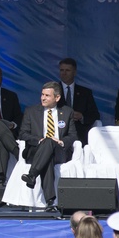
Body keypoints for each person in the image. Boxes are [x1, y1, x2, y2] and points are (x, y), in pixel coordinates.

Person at [19, 81, 77, 212]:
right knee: (47, 149)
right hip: (36, 151)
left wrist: (61, 141)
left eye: (47, 95)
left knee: (50, 143)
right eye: (42, 94)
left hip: (59, 151)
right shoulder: (31, 111)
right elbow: (22, 134)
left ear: (57, 98)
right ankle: (50, 201)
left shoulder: (67, 112)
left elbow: (73, 135)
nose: (43, 98)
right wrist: (39, 140)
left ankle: (32, 175)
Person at [58, 57, 100, 145]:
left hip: (79, 134)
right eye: (62, 70)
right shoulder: (52, 90)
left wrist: (81, 117)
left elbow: (95, 115)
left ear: (75, 72)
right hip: (57, 132)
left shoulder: (85, 93)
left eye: (67, 70)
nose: (64, 73)